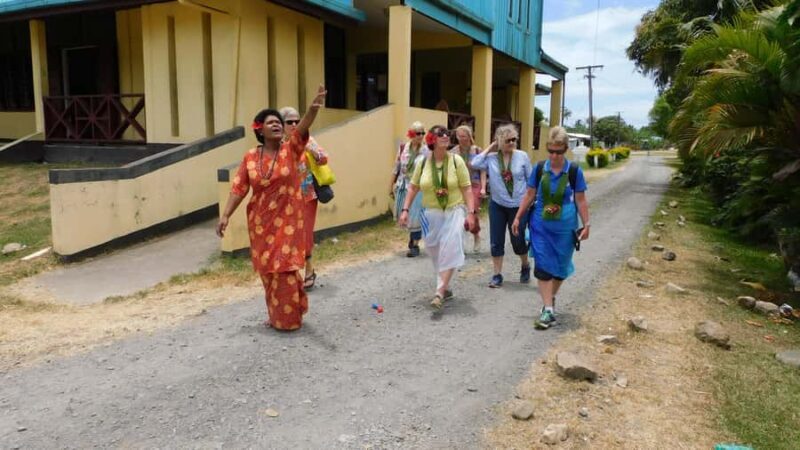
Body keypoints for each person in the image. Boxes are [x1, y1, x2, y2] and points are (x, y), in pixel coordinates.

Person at [216, 86, 327, 331]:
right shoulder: (250, 158)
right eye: (271, 122)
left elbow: (302, 128)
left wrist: (313, 108)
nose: (277, 125)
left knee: (284, 267)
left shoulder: (291, 149)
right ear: (260, 129)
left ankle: (290, 319)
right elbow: (238, 188)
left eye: (279, 122)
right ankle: (276, 314)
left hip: (288, 221)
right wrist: (225, 216)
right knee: (268, 270)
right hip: (260, 223)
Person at [512, 126, 590, 329]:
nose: (554, 156)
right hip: (541, 226)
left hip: (565, 228)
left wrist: (586, 225)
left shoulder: (574, 171)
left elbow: (581, 200)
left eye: (559, 152)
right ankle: (548, 309)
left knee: (561, 269)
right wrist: (518, 217)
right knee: (543, 266)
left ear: (566, 150)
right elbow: (529, 195)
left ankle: (550, 299)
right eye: (551, 151)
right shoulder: (539, 169)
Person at [399, 125, 476, 309]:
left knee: (450, 246)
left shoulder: (456, 161)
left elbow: (466, 188)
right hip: (430, 213)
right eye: (440, 133)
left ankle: (439, 292)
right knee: (434, 250)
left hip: (454, 210)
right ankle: (445, 285)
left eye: (447, 133)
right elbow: (413, 187)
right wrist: (405, 209)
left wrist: (471, 213)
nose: (446, 136)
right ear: (432, 140)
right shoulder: (422, 163)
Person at [470, 124, 533, 288]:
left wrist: (531, 201)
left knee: (517, 241)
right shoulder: (491, 158)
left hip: (518, 206)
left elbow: (531, 180)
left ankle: (525, 265)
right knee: (496, 241)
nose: (512, 143)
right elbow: (474, 163)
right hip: (497, 205)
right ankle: (497, 275)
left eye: (514, 139)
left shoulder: (522, 156)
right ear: (499, 141)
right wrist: (491, 146)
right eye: (508, 140)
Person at [279, 106, 328, 291]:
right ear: (282, 125)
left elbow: (324, 158)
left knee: (305, 233)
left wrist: (309, 148)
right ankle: (291, 271)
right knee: (288, 235)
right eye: (289, 122)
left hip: (307, 195)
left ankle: (309, 268)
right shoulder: (277, 144)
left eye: (296, 121)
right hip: (284, 199)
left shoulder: (308, 139)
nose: (293, 124)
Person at [390, 121, 430, 257]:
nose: (421, 136)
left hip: (418, 187)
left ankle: (415, 244)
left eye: (423, 133)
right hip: (403, 185)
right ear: (411, 134)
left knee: (416, 215)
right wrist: (390, 185)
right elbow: (396, 168)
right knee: (406, 214)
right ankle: (413, 238)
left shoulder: (426, 151)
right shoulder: (403, 148)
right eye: (418, 133)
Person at [451, 125, 486, 253]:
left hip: (475, 184)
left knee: (473, 211)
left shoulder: (477, 150)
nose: (460, 139)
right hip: (460, 185)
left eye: (463, 136)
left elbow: (483, 170)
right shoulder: (454, 152)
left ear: (469, 136)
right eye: (458, 136)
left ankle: (476, 235)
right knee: (461, 212)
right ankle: (462, 241)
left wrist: (483, 188)